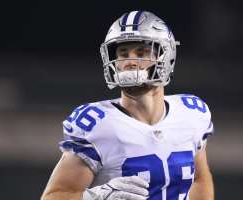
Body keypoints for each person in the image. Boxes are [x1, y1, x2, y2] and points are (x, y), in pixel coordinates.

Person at [41, 10, 214, 200]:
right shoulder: (98, 124)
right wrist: (94, 197)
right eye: (123, 53)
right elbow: (53, 196)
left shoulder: (191, 113)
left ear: (166, 57)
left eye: (141, 52)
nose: (130, 62)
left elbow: (199, 179)